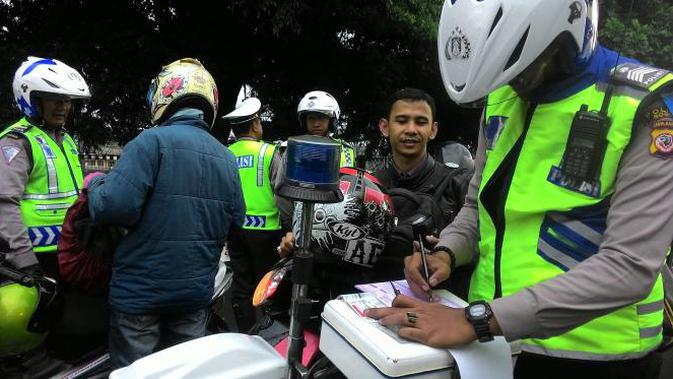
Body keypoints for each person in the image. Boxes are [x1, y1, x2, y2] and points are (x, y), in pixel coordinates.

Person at [366, 1, 673, 378]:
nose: (514, 82)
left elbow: (628, 267)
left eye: (519, 64)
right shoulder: (501, 98)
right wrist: (446, 252)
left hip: (597, 355)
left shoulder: (648, 105)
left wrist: (478, 319)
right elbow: (475, 207)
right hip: (491, 341)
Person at [86, 58, 245, 368]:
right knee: (183, 371)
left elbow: (113, 206)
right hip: (194, 295)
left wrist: (94, 185)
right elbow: (236, 219)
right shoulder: (227, 158)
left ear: (163, 97)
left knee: (137, 373)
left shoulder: (150, 143)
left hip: (140, 295)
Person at [374, 88, 473, 296]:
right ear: (385, 127)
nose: (411, 129)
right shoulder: (370, 185)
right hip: (371, 298)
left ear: (433, 129)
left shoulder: (460, 183)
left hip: (442, 304)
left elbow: (484, 239)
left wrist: (449, 251)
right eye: (401, 121)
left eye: (420, 122)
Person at [0, 56, 91, 279]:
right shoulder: (18, 142)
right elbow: (4, 202)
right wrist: (23, 258)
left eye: (67, 100)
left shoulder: (67, 140)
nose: (64, 107)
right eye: (55, 100)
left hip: (70, 253)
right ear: (32, 100)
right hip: (34, 259)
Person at [222, 95, 283, 332]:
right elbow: (282, 193)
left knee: (242, 282)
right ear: (255, 124)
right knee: (269, 286)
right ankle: (271, 333)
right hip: (267, 232)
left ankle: (245, 331)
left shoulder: (226, 154)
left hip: (235, 230)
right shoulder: (268, 152)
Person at [277, 90, 355, 255]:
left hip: (335, 228)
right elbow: (283, 192)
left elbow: (352, 191)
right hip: (299, 226)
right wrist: (290, 228)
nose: (316, 124)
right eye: (311, 118)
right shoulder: (293, 150)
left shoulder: (346, 151)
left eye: (322, 118)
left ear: (332, 120)